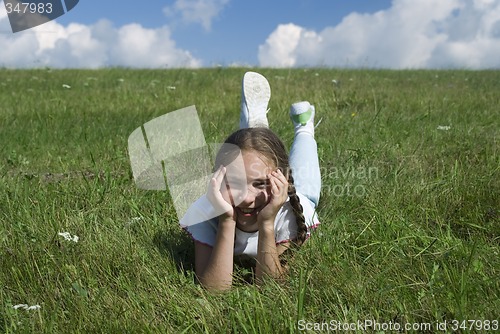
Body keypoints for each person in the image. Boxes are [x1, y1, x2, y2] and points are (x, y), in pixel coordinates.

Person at [180, 72, 321, 291]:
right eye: (234, 183)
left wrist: (267, 224)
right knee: (251, 150)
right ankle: (254, 125)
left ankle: (304, 126)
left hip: (289, 197)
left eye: (259, 184)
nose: (245, 199)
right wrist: (227, 221)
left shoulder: (289, 211)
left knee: (309, 190)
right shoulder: (205, 212)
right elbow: (214, 289)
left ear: (281, 179)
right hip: (247, 185)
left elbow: (271, 288)